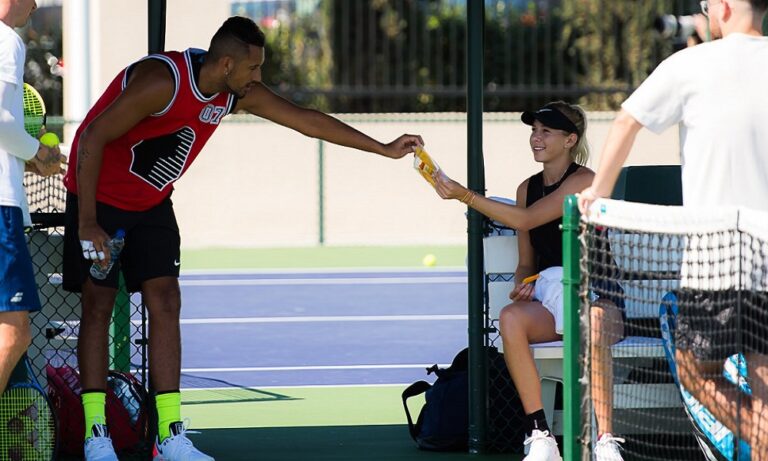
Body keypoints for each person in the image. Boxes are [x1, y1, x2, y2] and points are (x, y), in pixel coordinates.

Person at [61, 16, 423, 461]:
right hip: (100, 199)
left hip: (151, 202)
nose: (259, 76)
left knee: (167, 300)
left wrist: (383, 148)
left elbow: (305, 120)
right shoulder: (163, 81)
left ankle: (169, 436)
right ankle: (96, 433)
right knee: (98, 305)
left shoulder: (234, 93)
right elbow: (92, 136)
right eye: (253, 68)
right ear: (227, 64)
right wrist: (87, 221)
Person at [578, 0, 768, 458]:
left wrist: (597, 195)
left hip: (714, 265)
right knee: (764, 391)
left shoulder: (690, 64)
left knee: (694, 372)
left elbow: (627, 120)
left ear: (723, 7)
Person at [433, 101, 625, 461]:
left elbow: (524, 220)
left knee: (595, 322)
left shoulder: (585, 181)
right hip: (553, 300)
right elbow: (526, 262)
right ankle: (541, 435)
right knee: (511, 318)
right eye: (534, 131)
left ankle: (606, 440)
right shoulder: (526, 189)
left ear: (570, 139)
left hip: (599, 298)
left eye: (546, 131)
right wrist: (524, 285)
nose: (536, 138)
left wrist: (465, 195)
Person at [0, 0, 64, 395]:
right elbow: (1, 121)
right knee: (15, 334)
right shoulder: (6, 39)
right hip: (1, 210)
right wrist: (38, 152)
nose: (37, 4)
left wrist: (28, 158)